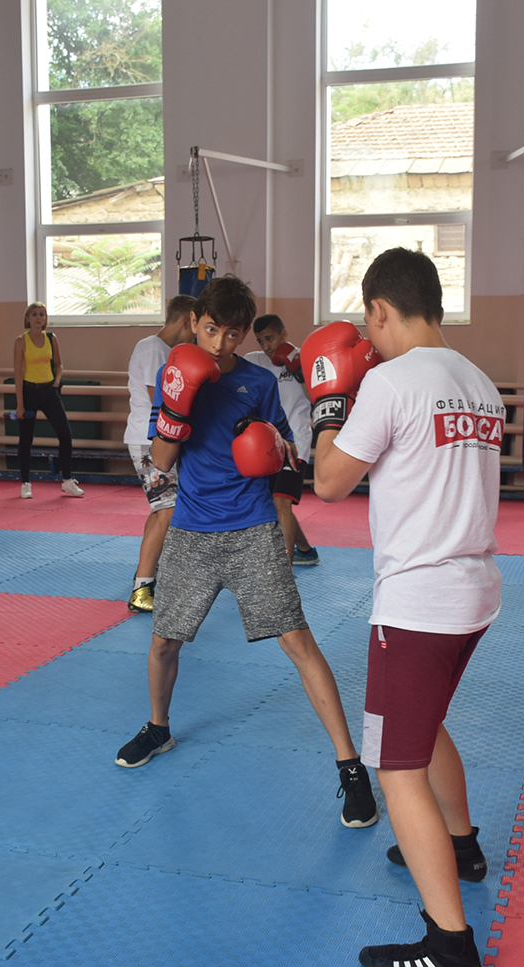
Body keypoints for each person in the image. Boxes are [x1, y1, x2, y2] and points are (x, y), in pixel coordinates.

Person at [113, 274, 378, 830]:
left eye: (232, 335)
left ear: (244, 334)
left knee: (298, 642)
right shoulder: (174, 374)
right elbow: (161, 461)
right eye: (211, 330)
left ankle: (350, 766)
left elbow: (286, 449)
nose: (219, 344)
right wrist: (177, 410)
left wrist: (271, 449)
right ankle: (158, 727)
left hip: (253, 528)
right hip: (191, 530)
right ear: (194, 322)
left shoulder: (258, 382)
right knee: (164, 642)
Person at [310, 248, 506, 967]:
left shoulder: (389, 382)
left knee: (396, 767)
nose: (369, 337)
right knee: (424, 727)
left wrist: (329, 403)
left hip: (419, 602)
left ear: (380, 310)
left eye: (370, 323)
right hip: (473, 592)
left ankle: (450, 947)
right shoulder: (479, 382)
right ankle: (463, 848)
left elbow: (329, 482)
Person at [124, 295, 198, 612]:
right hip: (150, 441)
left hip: (157, 440)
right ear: (185, 321)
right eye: (196, 326)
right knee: (168, 510)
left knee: (161, 510)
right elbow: (164, 399)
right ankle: (141, 589)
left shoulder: (164, 350)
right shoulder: (155, 349)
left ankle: (146, 574)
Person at [247, 314, 320, 565]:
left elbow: (315, 398)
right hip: (266, 446)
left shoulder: (304, 358)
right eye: (260, 341)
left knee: (281, 501)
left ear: (283, 334)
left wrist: (298, 370)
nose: (266, 346)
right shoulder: (254, 361)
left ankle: (284, 569)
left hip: (295, 443)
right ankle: (306, 551)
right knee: (276, 501)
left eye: (270, 338)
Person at [13, 302, 84, 499]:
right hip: (29, 391)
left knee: (65, 434)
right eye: (35, 314)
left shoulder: (52, 338)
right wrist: (20, 404)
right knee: (26, 439)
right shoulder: (21, 341)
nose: (39, 318)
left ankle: (67, 480)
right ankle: (25, 483)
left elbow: (59, 364)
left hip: (50, 391)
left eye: (42, 314)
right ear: (28, 318)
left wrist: (56, 381)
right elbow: (18, 374)